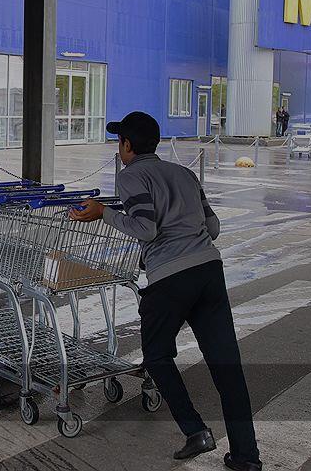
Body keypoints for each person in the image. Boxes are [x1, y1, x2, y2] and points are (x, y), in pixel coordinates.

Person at [70, 111, 261, 471]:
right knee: (227, 368)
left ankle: (195, 430)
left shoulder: (131, 176)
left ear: (127, 145)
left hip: (170, 278)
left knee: (157, 356)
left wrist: (103, 213)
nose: (119, 149)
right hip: (209, 271)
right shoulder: (185, 174)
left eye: (120, 142)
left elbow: (146, 229)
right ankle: (246, 456)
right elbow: (213, 228)